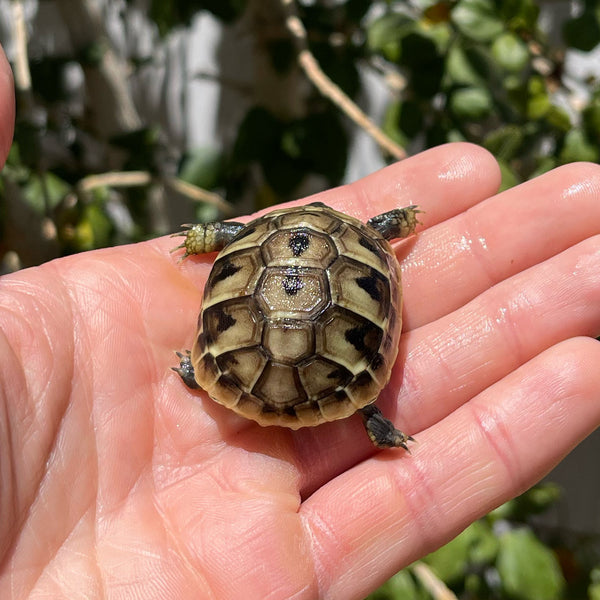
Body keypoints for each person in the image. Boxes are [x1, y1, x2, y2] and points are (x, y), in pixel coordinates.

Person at [0, 45, 599, 600]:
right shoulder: (367, 237)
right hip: (337, 374)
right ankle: (370, 415)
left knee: (229, 340)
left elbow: (229, 238)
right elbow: (389, 231)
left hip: (236, 368)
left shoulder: (259, 232)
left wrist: (206, 237)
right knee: (360, 375)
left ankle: (200, 373)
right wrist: (404, 221)